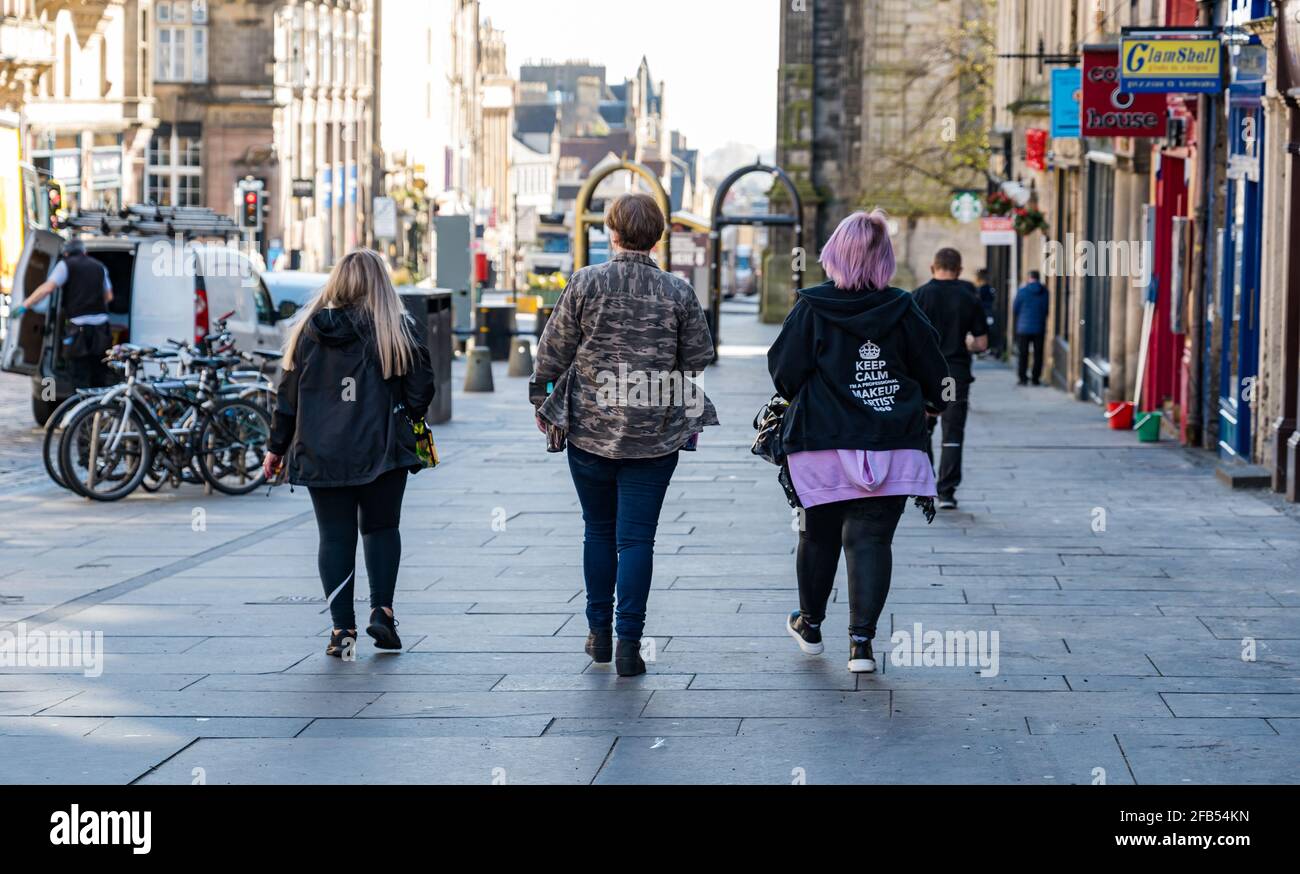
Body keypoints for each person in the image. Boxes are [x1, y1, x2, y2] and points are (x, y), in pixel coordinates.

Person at [530, 193, 718, 677]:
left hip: (590, 429)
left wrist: (541, 401)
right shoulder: (677, 291)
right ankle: (631, 644)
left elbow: (551, 353)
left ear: (610, 232)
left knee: (598, 531)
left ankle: (598, 634)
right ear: (657, 237)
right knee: (637, 541)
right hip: (654, 435)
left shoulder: (585, 283)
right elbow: (698, 357)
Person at [769, 210, 950, 674]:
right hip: (891, 444)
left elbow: (784, 374)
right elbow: (938, 374)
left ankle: (810, 626)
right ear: (884, 259)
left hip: (820, 444)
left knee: (818, 535)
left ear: (833, 254)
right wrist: (932, 404)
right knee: (871, 540)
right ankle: (861, 645)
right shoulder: (904, 308)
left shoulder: (811, 307)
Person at [264, 249, 435, 658]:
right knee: (380, 528)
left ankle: (342, 630)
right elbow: (420, 394)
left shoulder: (307, 332)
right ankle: (383, 611)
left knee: (334, 537)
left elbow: (286, 399)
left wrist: (276, 448)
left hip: (322, 451)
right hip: (383, 451)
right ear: (381, 284)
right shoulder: (396, 331)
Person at [912, 247, 988, 510]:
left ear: (933, 268)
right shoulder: (970, 297)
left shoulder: (918, 297)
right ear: (959, 270)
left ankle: (926, 484)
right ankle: (947, 491)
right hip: (955, 373)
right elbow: (981, 343)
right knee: (953, 432)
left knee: (923, 429)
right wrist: (966, 343)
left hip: (924, 374)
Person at [14, 240, 114, 389]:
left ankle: (82, 410)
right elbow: (109, 297)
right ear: (84, 252)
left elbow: (47, 289)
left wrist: (24, 305)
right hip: (101, 330)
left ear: (66, 253)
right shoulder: (100, 267)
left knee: (78, 377)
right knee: (99, 376)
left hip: (78, 331)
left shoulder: (66, 264)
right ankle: (100, 410)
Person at [1013, 270, 1049, 386]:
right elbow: (1046, 309)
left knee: (1023, 353)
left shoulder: (1022, 291)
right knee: (1038, 354)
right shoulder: (1044, 292)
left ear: (1029, 278)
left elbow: (1015, 309)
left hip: (1023, 328)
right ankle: (1035, 378)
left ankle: (1022, 378)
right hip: (1039, 327)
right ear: (1038, 278)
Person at [975, 268, 1000, 357]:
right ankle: (984, 348)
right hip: (986, 311)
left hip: (984, 311)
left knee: (986, 329)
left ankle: (984, 348)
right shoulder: (987, 288)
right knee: (986, 329)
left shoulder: (982, 289)